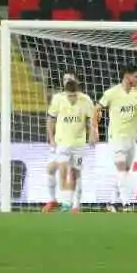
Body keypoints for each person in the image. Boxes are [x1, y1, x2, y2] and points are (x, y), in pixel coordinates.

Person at [95, 65, 137, 212]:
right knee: (121, 167)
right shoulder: (111, 93)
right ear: (127, 76)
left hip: (131, 138)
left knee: (124, 171)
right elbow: (96, 108)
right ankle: (126, 203)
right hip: (116, 137)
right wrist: (94, 129)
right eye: (136, 76)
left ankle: (111, 202)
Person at [44, 72, 96, 213]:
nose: (72, 99)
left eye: (74, 96)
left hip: (78, 144)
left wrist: (92, 133)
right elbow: (51, 119)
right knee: (59, 170)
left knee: (75, 173)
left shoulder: (86, 100)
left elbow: (92, 120)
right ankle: (61, 202)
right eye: (69, 96)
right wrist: (51, 140)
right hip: (62, 143)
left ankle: (75, 206)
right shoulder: (58, 99)